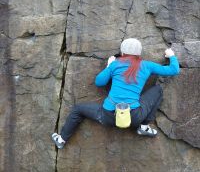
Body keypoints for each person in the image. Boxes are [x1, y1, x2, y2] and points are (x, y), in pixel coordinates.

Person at [52, 38, 180, 149]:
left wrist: (109, 66)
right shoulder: (147, 65)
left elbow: (99, 82)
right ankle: (144, 126)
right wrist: (171, 55)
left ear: (122, 52)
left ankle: (62, 140)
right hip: (135, 117)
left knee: (78, 109)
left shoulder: (115, 64)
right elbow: (174, 70)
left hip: (108, 116)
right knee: (157, 90)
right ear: (139, 53)